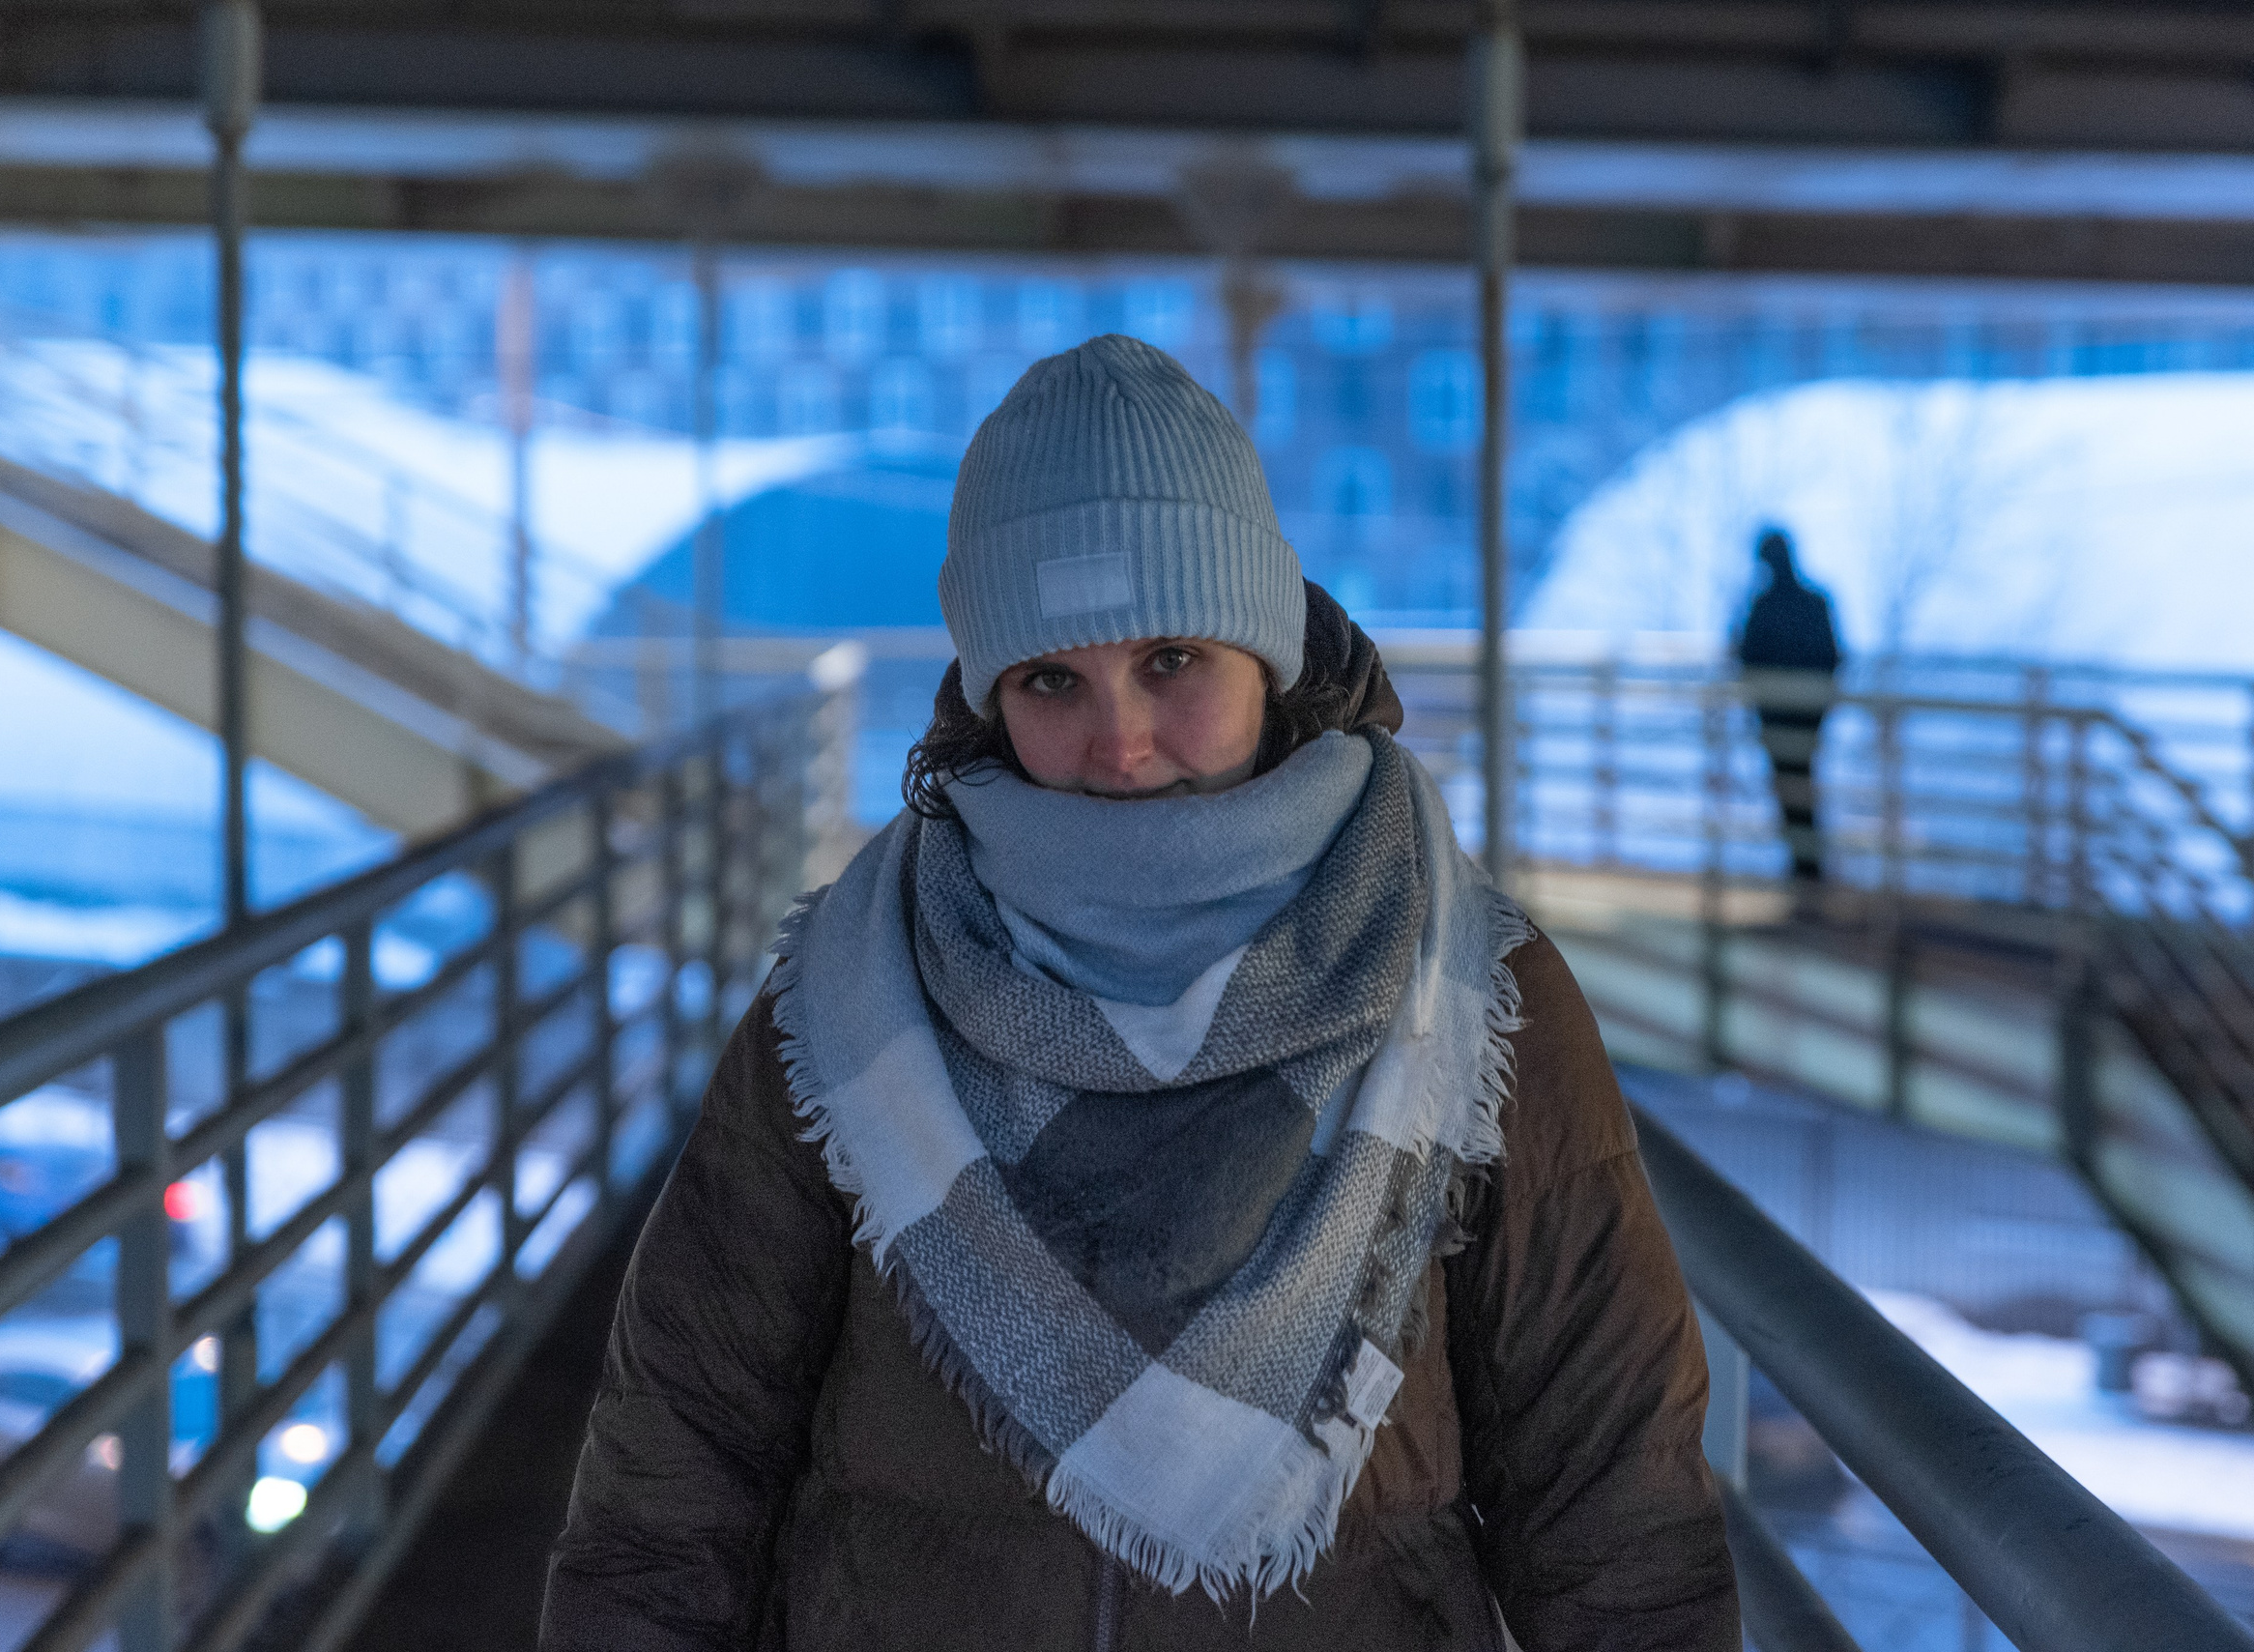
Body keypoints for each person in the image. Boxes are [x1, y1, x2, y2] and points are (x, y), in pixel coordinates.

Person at [539, 336, 1737, 1651]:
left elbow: (1611, 1484)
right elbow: (682, 1451)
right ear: (990, 695)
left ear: (1263, 653)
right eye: (1053, 679)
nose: (1118, 742)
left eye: (1171, 660)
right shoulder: (849, 994)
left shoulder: (1464, 994)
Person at [1735, 528, 1842, 884]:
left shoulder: (1765, 606)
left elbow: (1744, 656)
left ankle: (1807, 871)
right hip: (1799, 720)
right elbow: (1832, 659)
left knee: (1793, 788)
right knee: (1797, 788)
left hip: (1786, 720)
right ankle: (1807, 870)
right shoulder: (1811, 603)